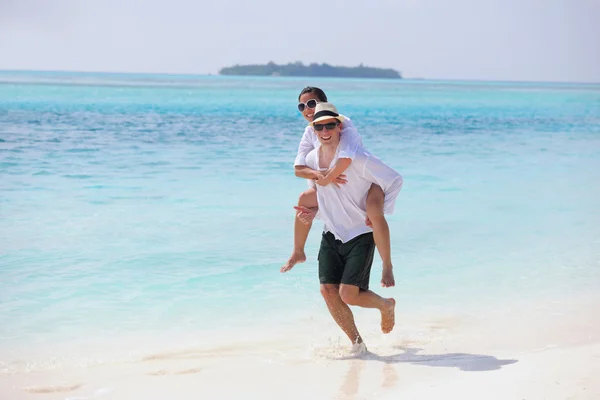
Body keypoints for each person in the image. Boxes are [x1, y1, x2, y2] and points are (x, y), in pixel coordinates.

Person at [282, 102, 403, 352]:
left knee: (348, 294)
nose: (324, 131)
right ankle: (358, 345)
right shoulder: (312, 159)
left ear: (339, 127)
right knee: (328, 292)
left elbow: (394, 179)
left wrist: (379, 210)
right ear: (313, 129)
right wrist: (312, 213)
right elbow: (324, 194)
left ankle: (385, 305)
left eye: (329, 125)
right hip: (331, 233)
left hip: (360, 233)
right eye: (319, 127)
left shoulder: (358, 158)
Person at [281, 87, 396, 289]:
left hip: (367, 180)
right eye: (302, 106)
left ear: (323, 103)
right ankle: (298, 251)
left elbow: (345, 159)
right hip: (334, 185)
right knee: (304, 201)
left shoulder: (343, 124)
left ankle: (387, 265)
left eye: (311, 103)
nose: (307, 109)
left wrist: (327, 178)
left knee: (373, 213)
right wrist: (321, 179)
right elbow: (299, 168)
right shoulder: (311, 131)